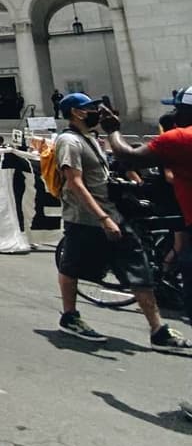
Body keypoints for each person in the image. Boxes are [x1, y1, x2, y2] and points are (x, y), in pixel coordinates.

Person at [52, 92, 191, 353]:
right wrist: (103, 218)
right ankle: (69, 316)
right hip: (85, 218)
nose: (96, 112)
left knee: (140, 271)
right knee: (72, 267)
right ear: (76, 113)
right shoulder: (69, 141)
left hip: (114, 214)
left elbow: (118, 165)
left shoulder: (91, 138)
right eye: (90, 108)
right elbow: (75, 183)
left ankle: (157, 329)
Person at [102, 86, 192, 322]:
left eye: (178, 109)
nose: (174, 115)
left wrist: (112, 130)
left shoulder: (180, 138)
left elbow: (128, 155)